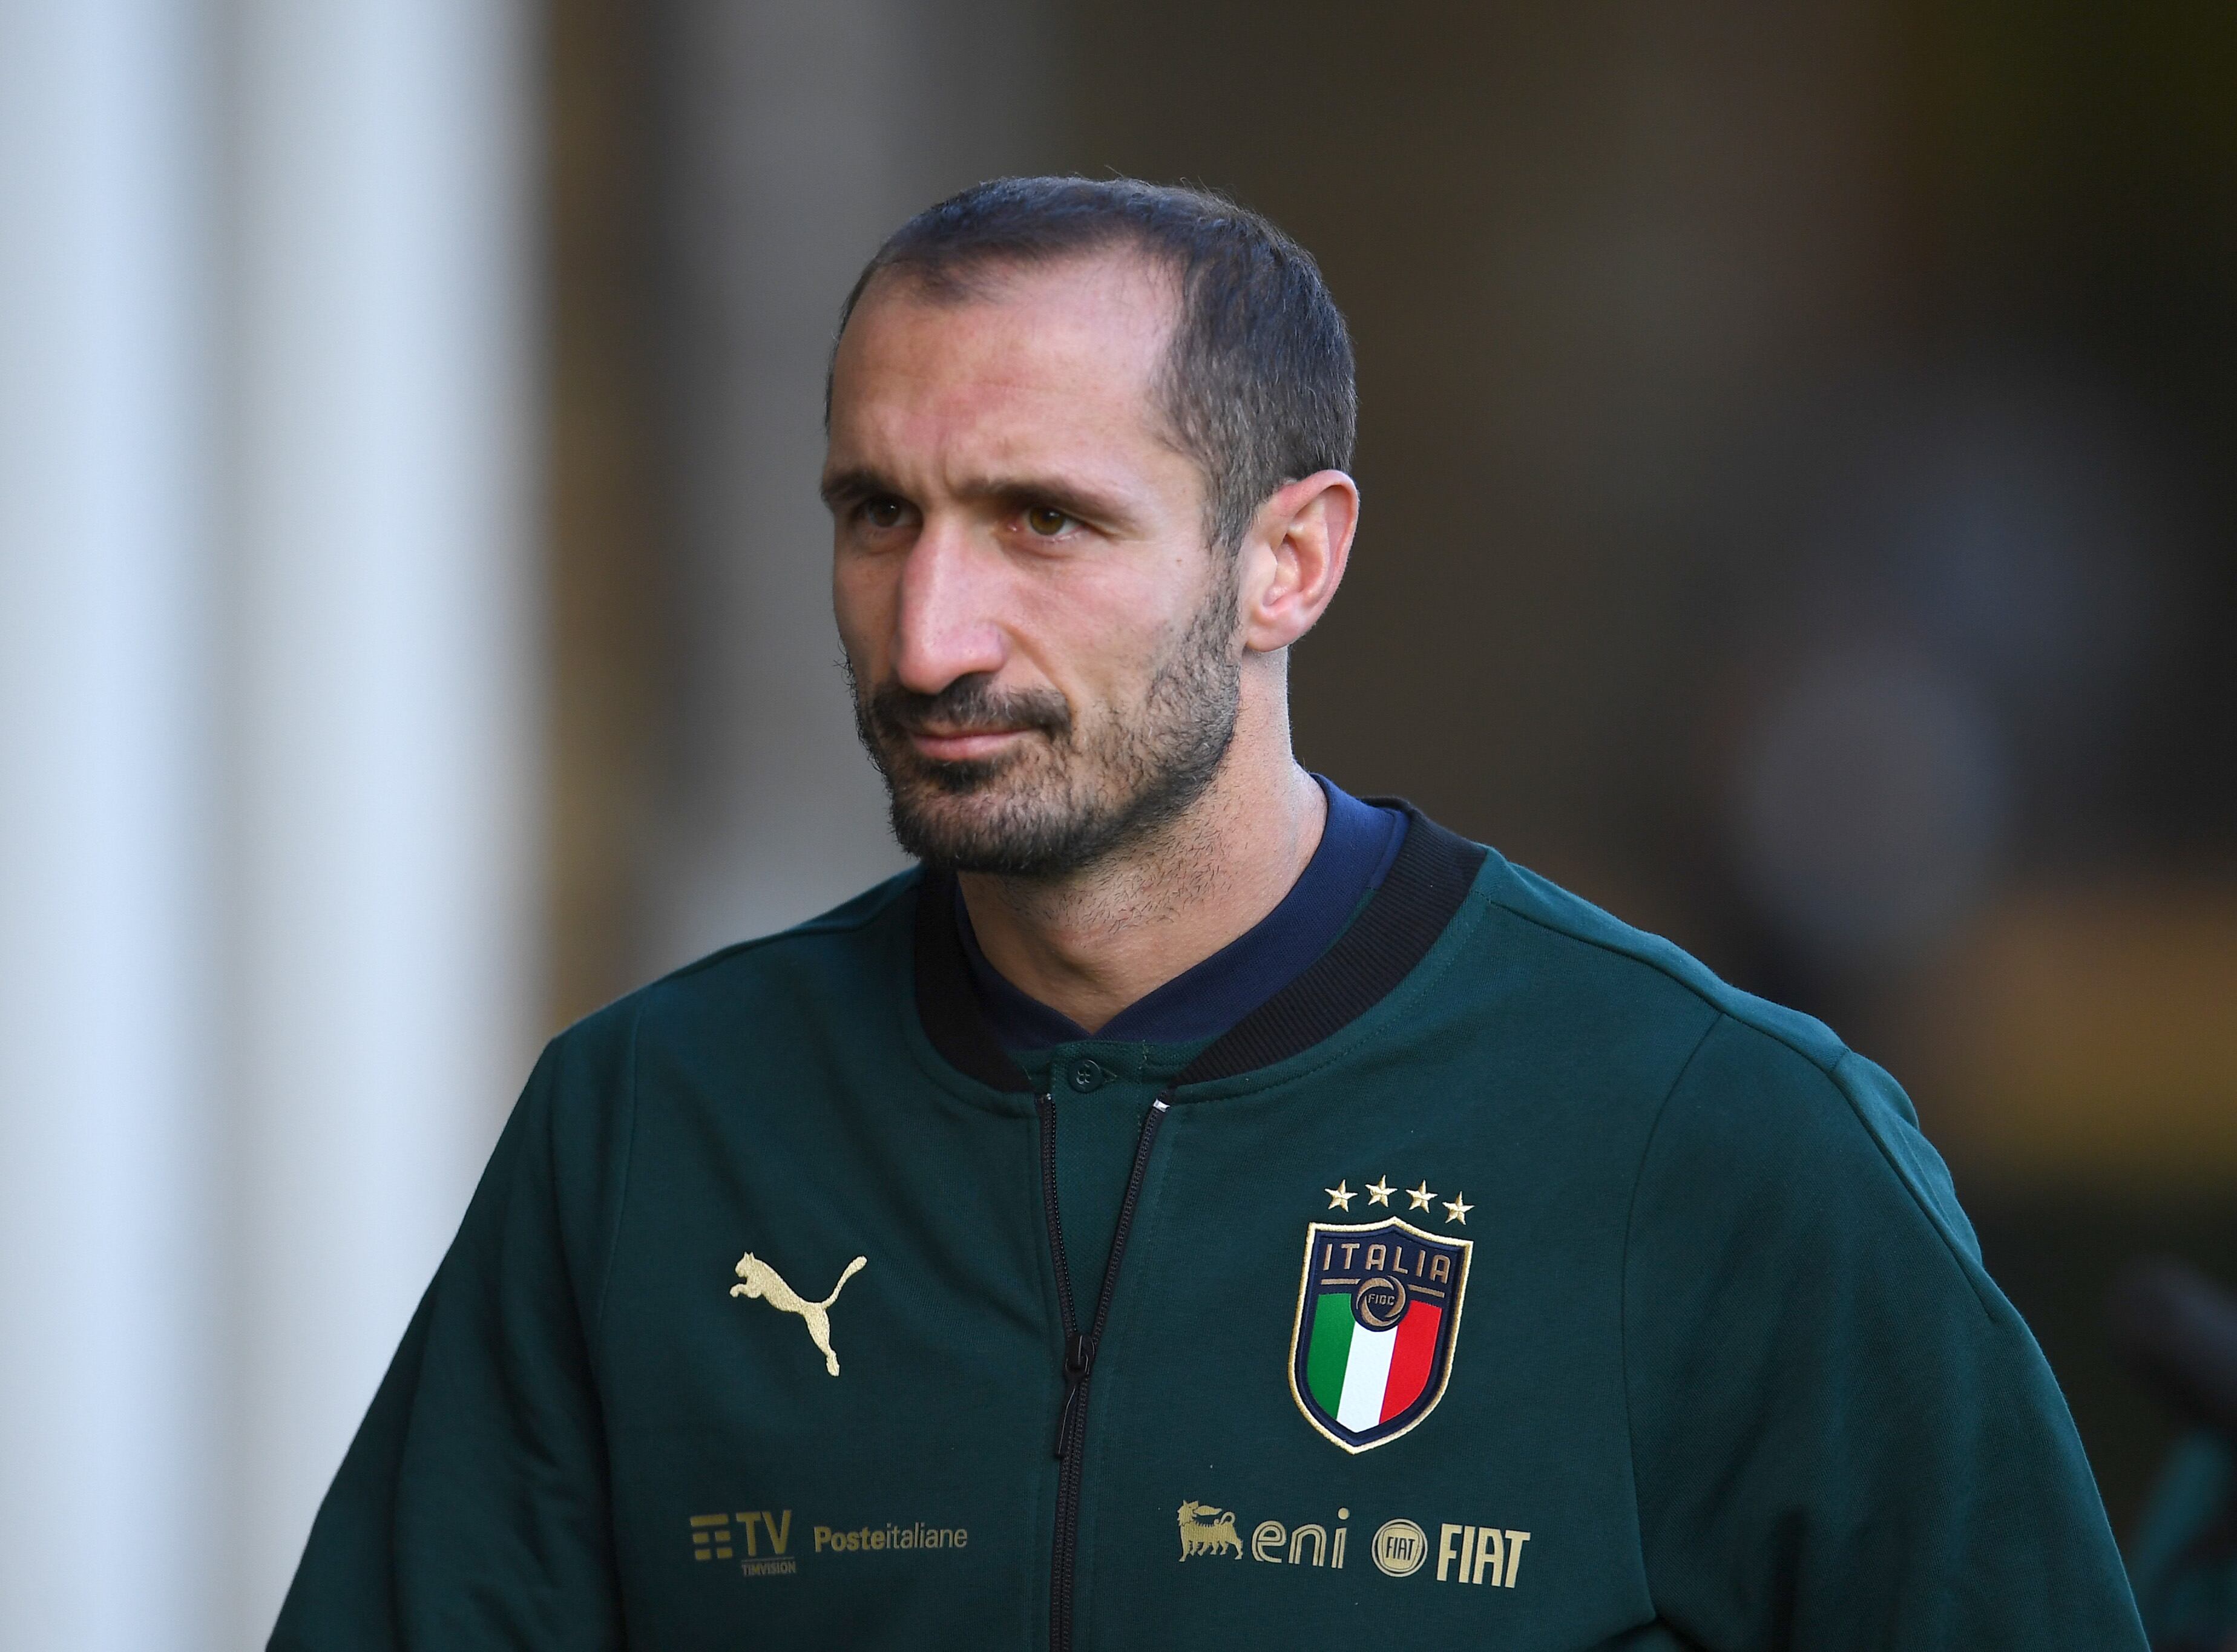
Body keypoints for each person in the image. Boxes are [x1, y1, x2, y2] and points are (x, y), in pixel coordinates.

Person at [271, 177, 2147, 1651]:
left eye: (1044, 523)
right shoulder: (649, 1133)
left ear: (1291, 559)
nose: (930, 633)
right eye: (875, 513)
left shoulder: (1718, 1143)